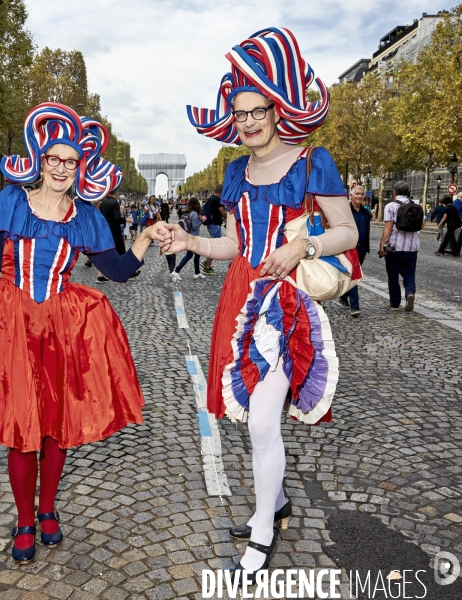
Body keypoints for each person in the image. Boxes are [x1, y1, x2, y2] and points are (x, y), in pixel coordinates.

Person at [0, 103, 168, 565]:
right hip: (11, 322)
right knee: (22, 428)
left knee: (55, 425)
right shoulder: (14, 201)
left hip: (63, 328)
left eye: (69, 161)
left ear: (81, 168)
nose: (60, 168)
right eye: (53, 159)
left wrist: (145, 238)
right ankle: (23, 519)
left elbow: (115, 271)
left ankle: (49, 508)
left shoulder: (87, 217)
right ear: (41, 160)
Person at [163, 27, 358, 584]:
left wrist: (304, 244)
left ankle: (263, 529)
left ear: (278, 110)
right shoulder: (233, 172)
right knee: (251, 412)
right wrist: (192, 243)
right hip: (239, 299)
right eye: (240, 112)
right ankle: (274, 502)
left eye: (258, 111)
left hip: (287, 301)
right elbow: (233, 246)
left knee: (263, 420)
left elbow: (347, 233)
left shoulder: (313, 162)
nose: (248, 122)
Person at [379, 181, 423, 311]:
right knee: (409, 274)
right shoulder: (416, 206)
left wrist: (382, 243)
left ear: (395, 192)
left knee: (393, 274)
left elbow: (388, 225)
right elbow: (422, 225)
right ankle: (410, 293)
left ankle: (394, 303)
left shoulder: (391, 206)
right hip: (412, 247)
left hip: (394, 246)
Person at [338, 186, 370, 317]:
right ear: (351, 195)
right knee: (354, 275)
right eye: (357, 194)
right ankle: (355, 306)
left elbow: (367, 231)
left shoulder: (366, 212)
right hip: (349, 247)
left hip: (361, 248)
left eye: (362, 194)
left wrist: (366, 249)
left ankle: (343, 297)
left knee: (352, 275)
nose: (359, 196)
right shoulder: (345, 211)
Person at [99, 187, 140, 279]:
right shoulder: (115, 203)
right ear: (116, 192)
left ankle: (102, 275)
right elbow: (117, 219)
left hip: (105, 230)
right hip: (114, 230)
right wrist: (127, 219)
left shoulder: (103, 202)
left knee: (107, 252)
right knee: (122, 251)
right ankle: (129, 272)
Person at [171, 197, 205, 280]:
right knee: (189, 255)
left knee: (197, 254)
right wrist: (201, 220)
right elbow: (195, 226)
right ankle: (176, 271)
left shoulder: (189, 213)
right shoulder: (194, 214)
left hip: (191, 236)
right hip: (193, 237)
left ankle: (197, 272)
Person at [202, 183, 226, 275]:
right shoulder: (217, 199)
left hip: (211, 224)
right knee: (215, 246)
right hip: (215, 224)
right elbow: (222, 213)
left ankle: (206, 262)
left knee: (214, 244)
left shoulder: (211, 198)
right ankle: (207, 267)